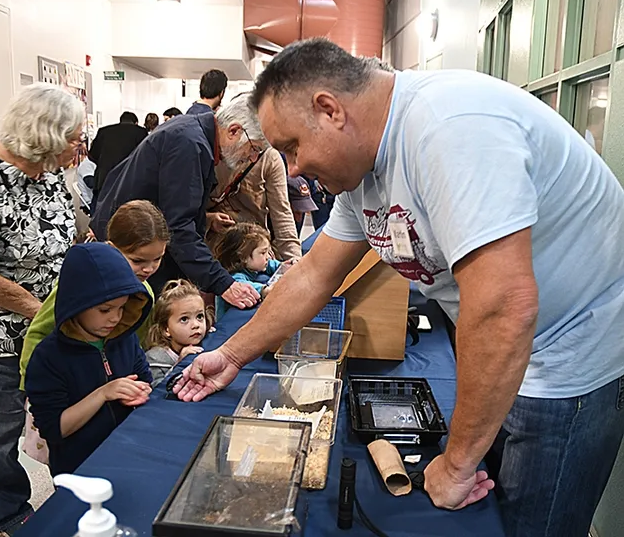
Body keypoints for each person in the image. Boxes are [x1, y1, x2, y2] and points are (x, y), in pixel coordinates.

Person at [173, 38, 624, 537]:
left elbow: (504, 307)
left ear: (330, 110)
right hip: (514, 351)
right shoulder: (363, 170)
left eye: (291, 147)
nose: (293, 168)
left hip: (568, 360)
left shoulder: (449, 128)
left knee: (525, 524)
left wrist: (454, 467)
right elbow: (314, 275)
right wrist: (233, 355)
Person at [0, 83, 83, 536]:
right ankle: (9, 513)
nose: (81, 144)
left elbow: (70, 233)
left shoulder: (51, 172)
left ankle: (74, 491)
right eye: (76, 136)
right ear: (47, 135)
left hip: (56, 325)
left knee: (61, 417)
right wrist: (46, 312)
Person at [90, 93, 265, 310]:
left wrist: (206, 219)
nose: (252, 158)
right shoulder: (189, 144)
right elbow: (178, 227)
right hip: (131, 247)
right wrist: (224, 284)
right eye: (254, 148)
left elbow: (172, 205)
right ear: (234, 131)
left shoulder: (192, 132)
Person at [25, 243, 153, 476]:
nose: (115, 318)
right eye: (105, 310)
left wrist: (138, 392)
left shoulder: (125, 339)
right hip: (80, 473)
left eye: (122, 308)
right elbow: (54, 429)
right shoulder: (47, 358)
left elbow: (145, 381)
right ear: (77, 304)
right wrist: (104, 393)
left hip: (130, 456)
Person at [19, 200, 170, 390]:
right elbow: (38, 333)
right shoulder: (79, 284)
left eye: (157, 259)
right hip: (64, 384)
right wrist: (31, 387)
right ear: (111, 248)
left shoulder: (145, 293)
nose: (149, 268)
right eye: (138, 260)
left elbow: (136, 342)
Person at [206, 144, 301, 261]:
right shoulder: (209, 149)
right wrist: (209, 219)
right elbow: (182, 211)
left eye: (258, 149)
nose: (253, 157)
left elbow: (282, 213)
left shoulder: (269, 157)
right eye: (253, 148)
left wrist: (294, 259)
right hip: (214, 252)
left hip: (255, 254)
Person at [144, 279, 211, 387]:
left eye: (199, 316)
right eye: (184, 319)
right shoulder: (154, 358)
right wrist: (179, 364)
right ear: (166, 329)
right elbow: (156, 391)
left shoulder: (206, 340)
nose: (196, 325)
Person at [213, 223, 285, 319]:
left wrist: (283, 266)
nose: (268, 257)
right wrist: (264, 290)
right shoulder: (233, 276)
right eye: (263, 252)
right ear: (244, 257)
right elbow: (242, 286)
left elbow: (270, 264)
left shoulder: (253, 266)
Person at [88, 112, 148, 207]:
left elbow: (92, 155)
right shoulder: (141, 132)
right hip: (129, 182)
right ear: (135, 122)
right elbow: (145, 158)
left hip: (104, 180)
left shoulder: (104, 131)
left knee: (102, 216)